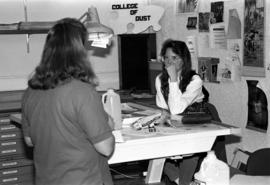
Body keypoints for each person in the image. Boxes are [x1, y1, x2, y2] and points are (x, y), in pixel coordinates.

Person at [21, 18, 115, 185]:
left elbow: (30, 140)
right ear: (79, 51)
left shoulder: (31, 91)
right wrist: (107, 122)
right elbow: (106, 148)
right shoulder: (82, 92)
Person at [155, 39, 208, 185]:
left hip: (195, 120)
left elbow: (177, 108)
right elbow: (164, 107)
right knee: (153, 150)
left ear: (183, 60)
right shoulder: (160, 79)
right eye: (166, 58)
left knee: (190, 151)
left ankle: (184, 182)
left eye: (174, 58)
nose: (169, 62)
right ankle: (183, 182)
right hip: (173, 121)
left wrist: (173, 79)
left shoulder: (195, 80)